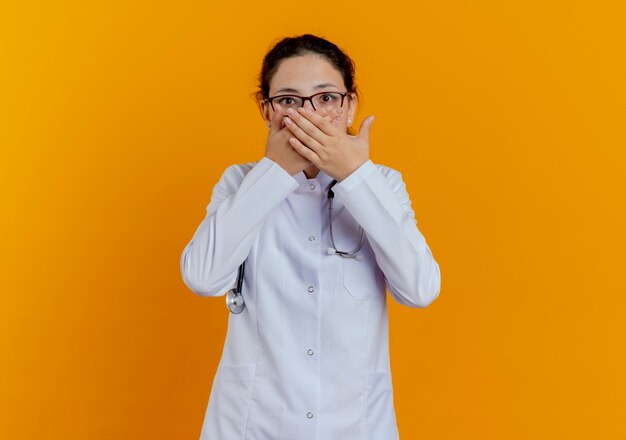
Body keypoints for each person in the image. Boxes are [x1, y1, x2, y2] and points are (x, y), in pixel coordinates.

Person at [180, 34, 441, 440]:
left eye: (325, 98)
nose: (309, 115)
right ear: (266, 110)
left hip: (354, 425)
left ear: (350, 104)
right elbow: (202, 277)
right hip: (254, 424)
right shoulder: (240, 182)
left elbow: (420, 289)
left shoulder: (383, 184)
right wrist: (272, 173)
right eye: (289, 100)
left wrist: (357, 177)